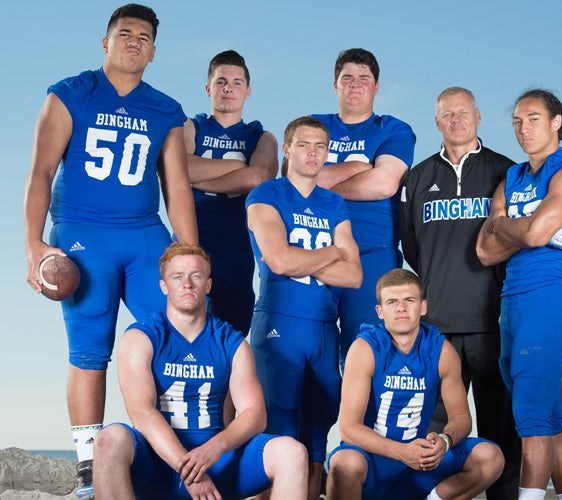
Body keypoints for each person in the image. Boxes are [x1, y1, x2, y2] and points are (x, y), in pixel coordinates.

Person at [23, 4, 198, 498]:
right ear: (105, 43)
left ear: (154, 51)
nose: (134, 42)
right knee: (89, 348)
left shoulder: (164, 108)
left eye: (144, 37)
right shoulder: (70, 93)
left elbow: (177, 187)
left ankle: (173, 452)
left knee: (176, 332)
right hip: (83, 234)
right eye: (125, 33)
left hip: (145, 234)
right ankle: (87, 469)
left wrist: (189, 251)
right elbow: (40, 170)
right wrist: (33, 244)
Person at [92, 243, 308, 499]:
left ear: (208, 285)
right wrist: (187, 468)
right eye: (177, 276)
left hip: (216, 464)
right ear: (164, 286)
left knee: (292, 452)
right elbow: (141, 411)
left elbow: (255, 415)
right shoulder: (141, 337)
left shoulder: (232, 342)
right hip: (157, 465)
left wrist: (213, 449)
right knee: (108, 439)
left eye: (196, 276)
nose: (187, 284)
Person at [400, 87, 521, 499]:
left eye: (463, 112)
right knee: (434, 436)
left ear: (478, 116)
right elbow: (412, 248)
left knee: (501, 434)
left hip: (491, 323)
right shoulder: (416, 177)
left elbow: (515, 242)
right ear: (437, 122)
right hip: (437, 328)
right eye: (447, 114)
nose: (456, 119)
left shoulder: (505, 171)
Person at [476, 89, 562, 500]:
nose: (523, 129)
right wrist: (526, 227)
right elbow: (484, 249)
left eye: (533, 119)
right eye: (517, 122)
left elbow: (526, 232)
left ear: (556, 122)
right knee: (551, 419)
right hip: (511, 306)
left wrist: (509, 222)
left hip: (548, 303)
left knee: (528, 417)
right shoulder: (513, 177)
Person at [246, 116, 362, 499]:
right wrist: (331, 253)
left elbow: (355, 275)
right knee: (277, 432)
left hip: (325, 329)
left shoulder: (334, 203)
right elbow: (279, 261)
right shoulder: (266, 195)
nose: (313, 153)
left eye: (320, 147)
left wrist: (306, 258)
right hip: (279, 324)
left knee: (316, 436)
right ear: (288, 149)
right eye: (304, 145)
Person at [327, 269, 504, 500]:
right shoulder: (366, 349)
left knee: (490, 456)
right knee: (343, 463)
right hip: (375, 460)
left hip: (420, 461)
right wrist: (402, 452)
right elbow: (349, 428)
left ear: (423, 307)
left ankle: (434, 498)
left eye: (409, 300)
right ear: (380, 312)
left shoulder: (441, 351)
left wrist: (445, 440)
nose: (401, 308)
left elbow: (461, 418)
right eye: (392, 301)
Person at [311, 48, 416, 365]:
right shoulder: (314, 126)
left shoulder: (392, 128)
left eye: (364, 77)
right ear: (335, 85)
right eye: (347, 77)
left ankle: (365, 417)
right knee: (312, 356)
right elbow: (291, 176)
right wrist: (361, 166)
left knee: (367, 355)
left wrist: (318, 184)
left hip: (372, 254)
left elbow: (384, 183)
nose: (355, 84)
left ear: (376, 86)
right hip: (316, 252)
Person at [184, 49, 278, 336]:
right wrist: (237, 169)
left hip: (237, 247)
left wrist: (198, 179)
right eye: (221, 81)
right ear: (208, 88)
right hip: (190, 239)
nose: (228, 88)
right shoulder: (190, 126)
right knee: (181, 332)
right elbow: (181, 169)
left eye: (237, 82)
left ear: (248, 91)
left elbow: (259, 177)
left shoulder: (261, 136)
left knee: (230, 339)